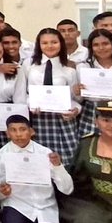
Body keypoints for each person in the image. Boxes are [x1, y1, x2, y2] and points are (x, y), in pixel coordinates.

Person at [0, 115, 73, 223]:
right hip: (17, 203)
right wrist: (1, 190)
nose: (18, 134)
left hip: (44, 206)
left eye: (23, 129)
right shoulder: (2, 154)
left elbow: (67, 189)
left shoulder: (45, 153)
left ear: (32, 131)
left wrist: (58, 166)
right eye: (13, 130)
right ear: (7, 133)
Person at [13, 28, 82, 165]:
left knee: (64, 161)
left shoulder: (69, 67)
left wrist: (76, 110)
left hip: (62, 121)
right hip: (37, 119)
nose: (50, 46)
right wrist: (30, 104)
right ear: (39, 45)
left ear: (61, 43)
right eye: (44, 43)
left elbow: (75, 99)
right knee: (38, 160)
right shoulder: (29, 64)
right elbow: (20, 93)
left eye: (54, 42)